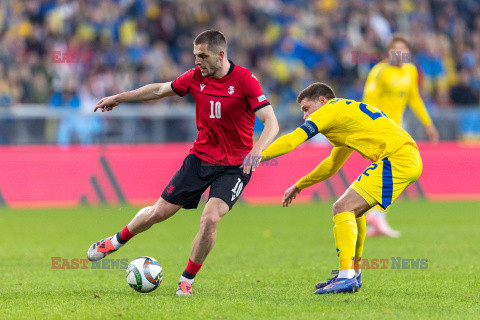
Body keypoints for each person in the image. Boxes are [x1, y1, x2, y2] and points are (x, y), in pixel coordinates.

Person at [87, 30, 279, 296]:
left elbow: (272, 122)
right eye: (195, 55)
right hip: (200, 159)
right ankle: (115, 241)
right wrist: (119, 98)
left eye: (203, 56)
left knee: (210, 218)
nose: (197, 61)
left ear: (221, 55)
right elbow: (158, 90)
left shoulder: (245, 80)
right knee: (158, 213)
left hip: (235, 166)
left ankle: (186, 279)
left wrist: (256, 151)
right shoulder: (195, 77)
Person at [261, 82, 422, 294]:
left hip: (397, 159)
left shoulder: (330, 110)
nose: (305, 117)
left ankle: (347, 275)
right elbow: (332, 165)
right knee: (353, 212)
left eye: (306, 109)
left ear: (322, 101)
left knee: (342, 207)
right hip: (405, 157)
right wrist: (299, 185)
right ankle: (352, 273)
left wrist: (257, 156)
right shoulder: (344, 115)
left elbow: (292, 140)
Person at [362, 33, 439, 238]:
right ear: (389, 52)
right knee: (401, 172)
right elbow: (367, 101)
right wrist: (371, 129)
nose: (400, 53)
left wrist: (428, 124)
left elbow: (414, 99)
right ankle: (375, 215)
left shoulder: (411, 71)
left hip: (399, 129)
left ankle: (375, 217)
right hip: (381, 130)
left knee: (391, 174)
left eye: (404, 49)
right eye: (395, 48)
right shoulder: (379, 71)